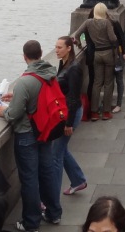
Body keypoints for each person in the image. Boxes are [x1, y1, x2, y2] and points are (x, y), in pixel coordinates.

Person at [0, 39, 58, 232]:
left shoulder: (24, 81)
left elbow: (14, 114)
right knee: (47, 172)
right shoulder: (50, 73)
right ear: (41, 53)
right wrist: (18, 96)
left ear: (24, 57)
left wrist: (3, 111)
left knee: (29, 178)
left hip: (27, 134)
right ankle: (54, 213)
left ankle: (31, 222)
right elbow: (39, 96)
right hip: (46, 129)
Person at [44, 37, 88, 224]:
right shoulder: (64, 65)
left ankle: (51, 204)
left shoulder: (74, 69)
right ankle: (78, 180)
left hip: (70, 115)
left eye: (60, 47)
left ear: (69, 48)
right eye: (55, 47)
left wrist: (68, 124)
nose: (56, 50)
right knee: (62, 149)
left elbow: (73, 98)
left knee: (56, 156)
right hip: (65, 114)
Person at [72, 3, 121, 121]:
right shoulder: (107, 23)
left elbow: (76, 35)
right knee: (108, 82)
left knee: (96, 83)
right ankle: (106, 112)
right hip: (108, 54)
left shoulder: (88, 22)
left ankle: (94, 112)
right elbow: (113, 38)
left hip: (96, 54)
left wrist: (79, 44)